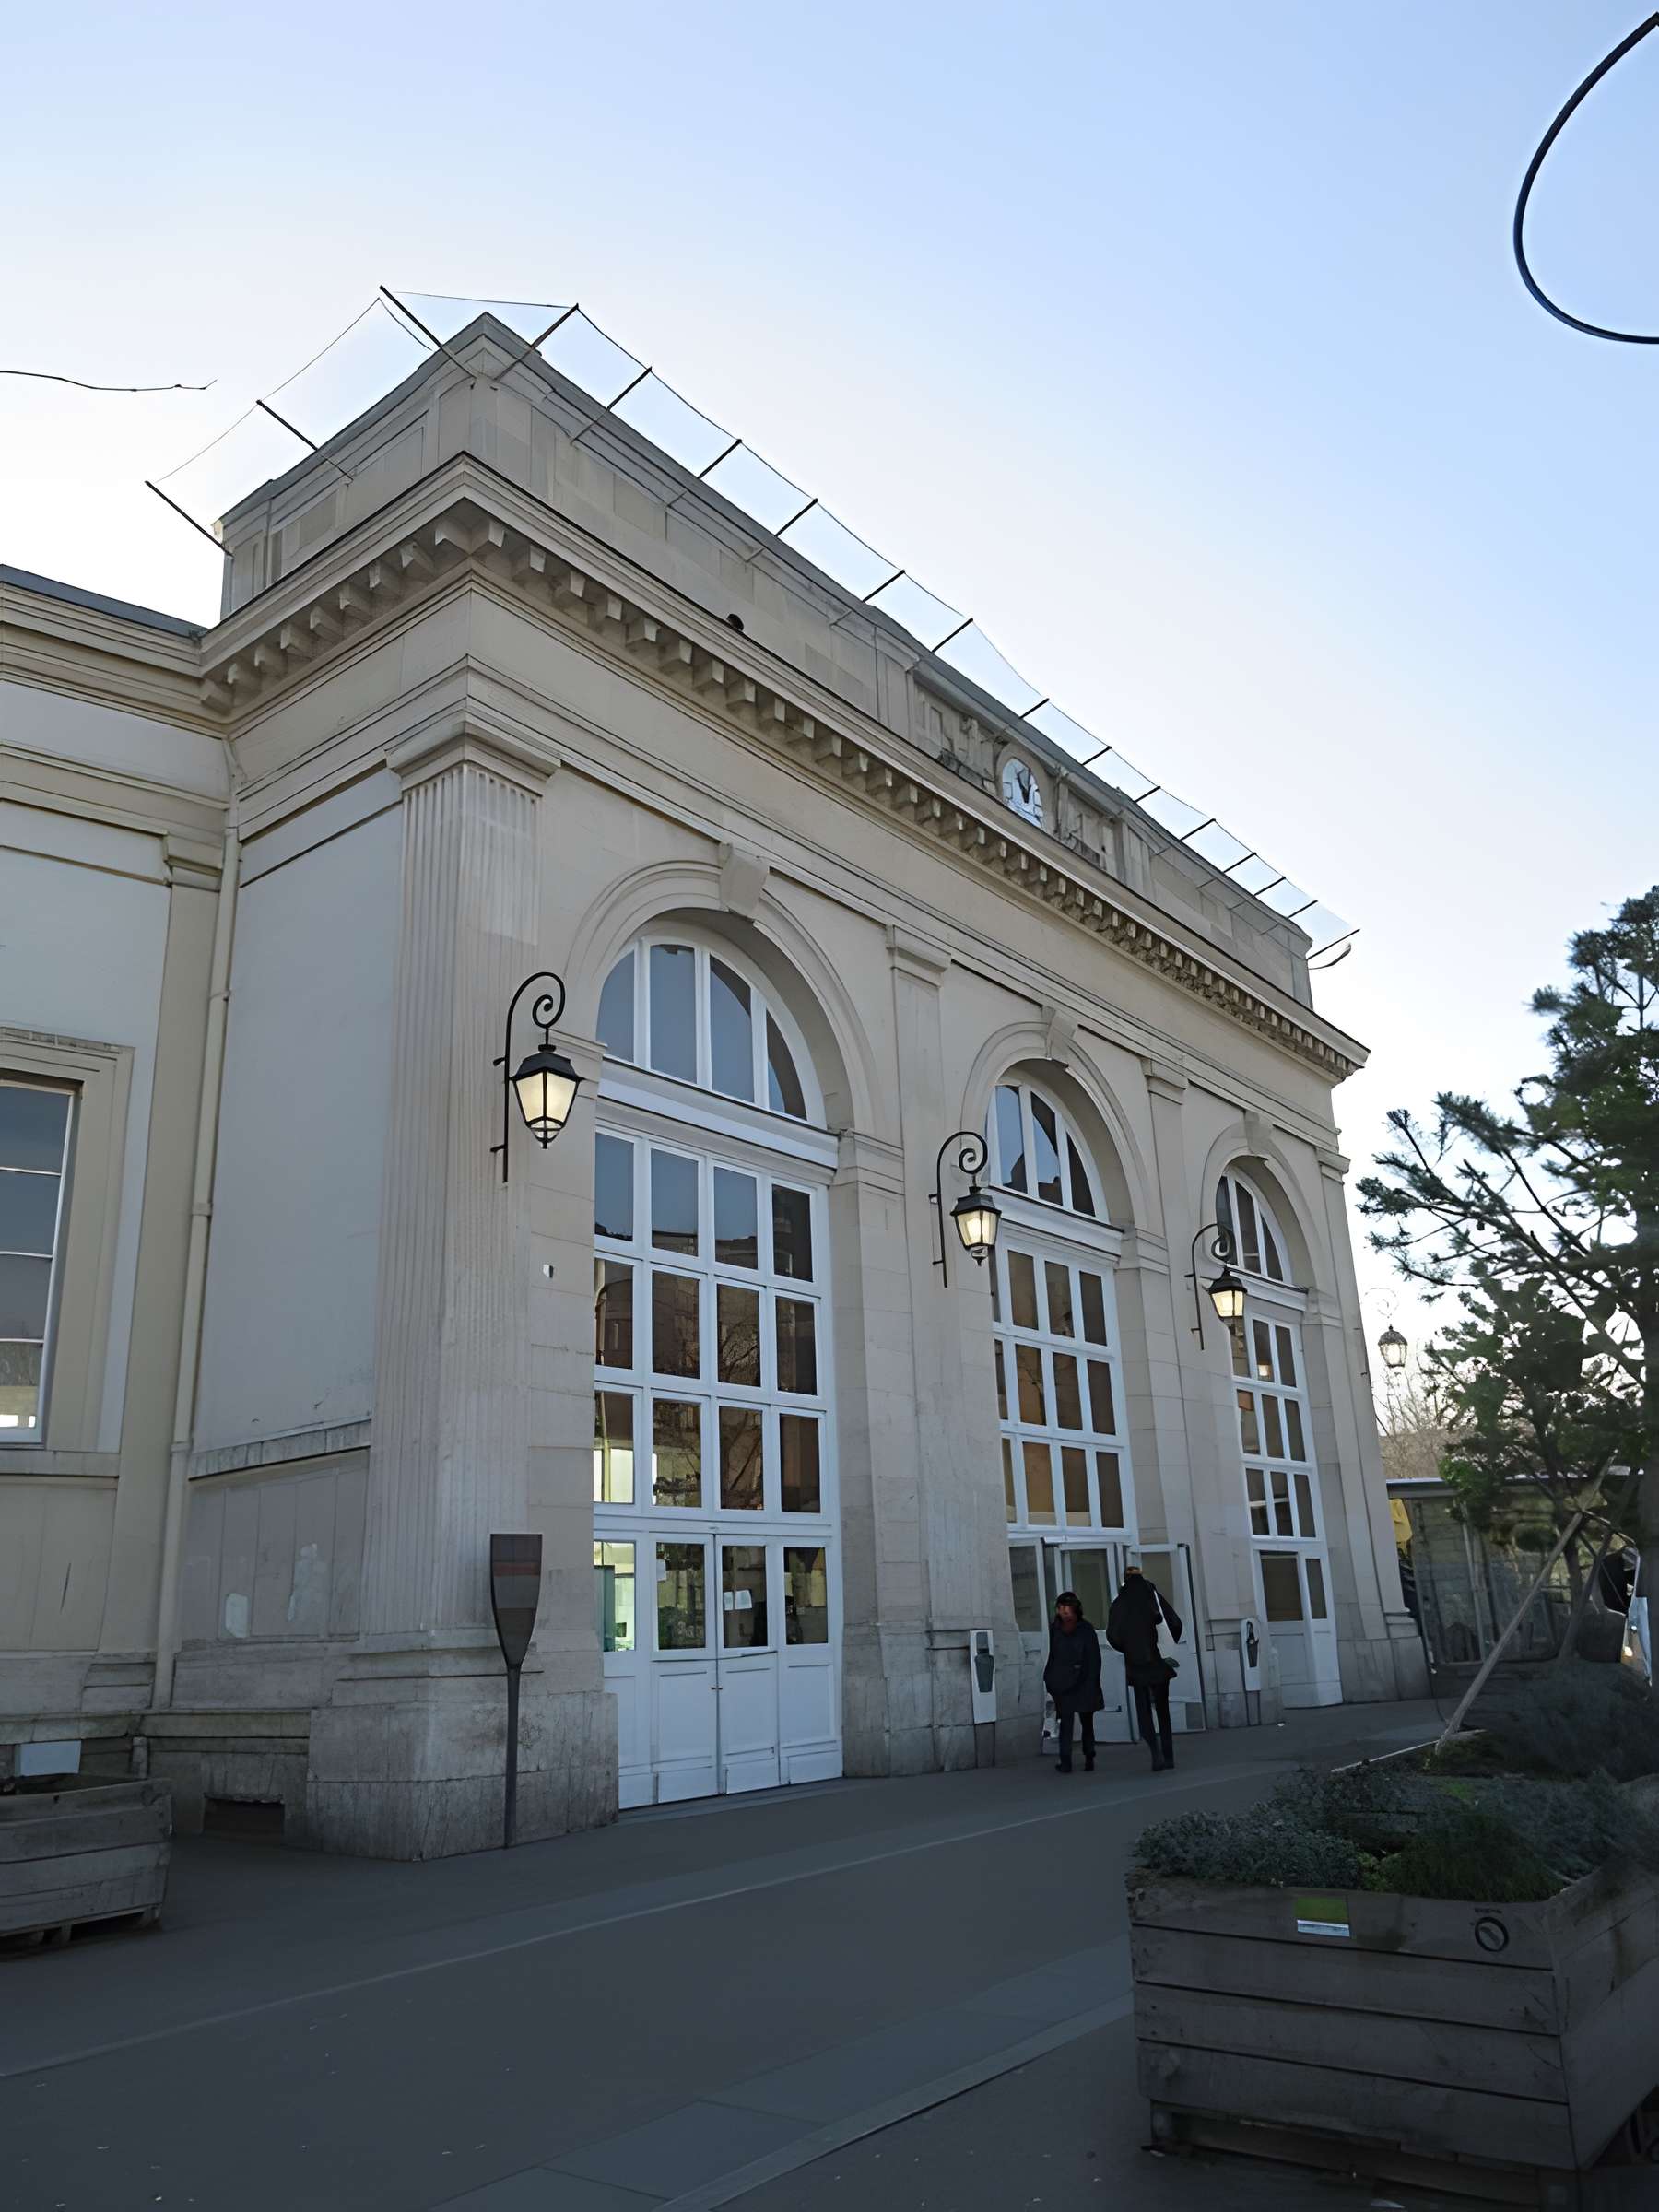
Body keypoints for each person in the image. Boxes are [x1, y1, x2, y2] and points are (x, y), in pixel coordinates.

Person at [1106, 1562, 1182, 1771]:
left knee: (1144, 1711)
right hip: (1158, 1662)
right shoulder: (1153, 1598)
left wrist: (1128, 1649)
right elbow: (1175, 1623)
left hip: (1137, 1665)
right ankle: (1169, 1755)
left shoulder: (1120, 1603)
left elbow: (1112, 1635)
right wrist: (1165, 1645)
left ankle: (1155, 1753)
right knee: (1163, 1710)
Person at [1043, 1590, 1103, 1774]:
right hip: (1063, 1682)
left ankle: (1089, 1755)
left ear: (1075, 1609)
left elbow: (1094, 1658)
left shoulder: (1085, 1629)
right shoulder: (1054, 1630)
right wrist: (1050, 1679)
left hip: (1084, 1681)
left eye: (1067, 1607)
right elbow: (1052, 1655)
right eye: (1060, 1608)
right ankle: (1066, 1760)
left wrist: (1092, 1680)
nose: (1064, 1611)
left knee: (1086, 1722)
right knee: (1066, 1722)